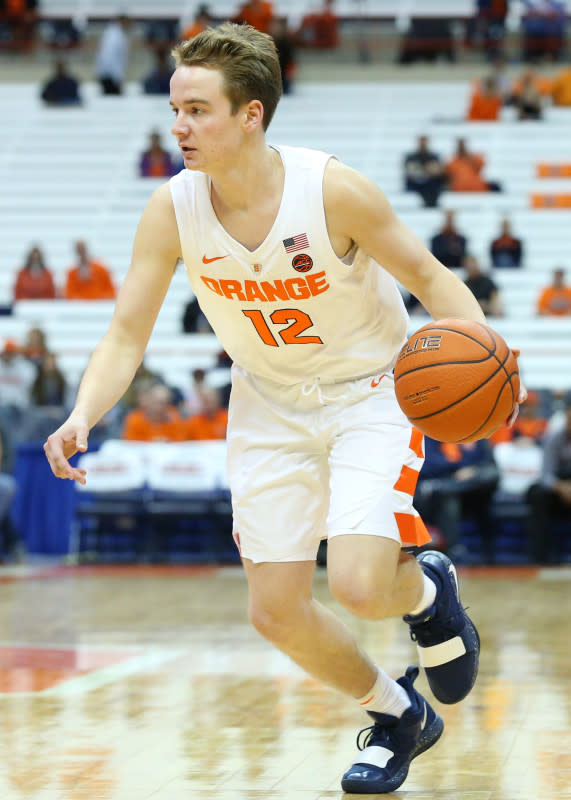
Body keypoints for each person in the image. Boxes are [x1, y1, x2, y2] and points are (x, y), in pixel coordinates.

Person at [43, 23, 526, 794]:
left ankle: (429, 593)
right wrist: (82, 413)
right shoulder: (172, 210)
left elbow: (434, 282)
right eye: (176, 108)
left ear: (251, 114)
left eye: (198, 110)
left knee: (364, 585)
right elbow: (126, 331)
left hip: (370, 391)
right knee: (275, 612)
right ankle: (397, 714)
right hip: (268, 402)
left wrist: (487, 354)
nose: (179, 126)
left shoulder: (330, 189)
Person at [414, 437, 499, 564]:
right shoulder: (431, 434)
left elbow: (490, 466)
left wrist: (472, 471)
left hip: (471, 491)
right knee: (448, 498)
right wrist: (459, 468)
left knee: (487, 484)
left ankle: (489, 554)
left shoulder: (478, 435)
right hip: (440, 495)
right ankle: (453, 549)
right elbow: (428, 464)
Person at [526, 394, 571, 563]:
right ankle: (540, 558)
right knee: (537, 495)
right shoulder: (554, 437)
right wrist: (562, 488)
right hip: (558, 492)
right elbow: (546, 475)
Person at [403, 135, 446, 208]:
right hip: (415, 185)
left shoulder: (434, 156)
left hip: (431, 185)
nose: (423, 143)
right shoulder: (410, 157)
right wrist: (428, 169)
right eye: (421, 141)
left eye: (424, 141)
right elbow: (411, 172)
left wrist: (421, 170)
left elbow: (438, 172)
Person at [95, 15, 130, 95]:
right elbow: (109, 57)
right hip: (110, 75)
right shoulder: (114, 35)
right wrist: (117, 77)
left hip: (108, 74)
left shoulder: (114, 34)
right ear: (123, 22)